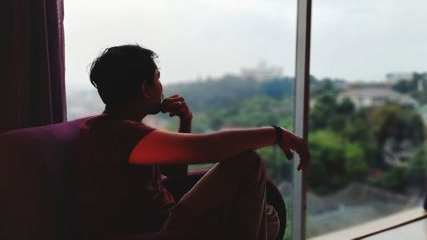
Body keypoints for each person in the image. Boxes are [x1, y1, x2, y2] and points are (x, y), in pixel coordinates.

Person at [73, 44, 310, 240]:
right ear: (145, 88)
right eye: (157, 78)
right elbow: (209, 148)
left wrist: (185, 121)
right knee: (247, 165)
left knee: (265, 218)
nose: (161, 86)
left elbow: (176, 172)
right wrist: (276, 134)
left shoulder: (107, 128)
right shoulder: (119, 133)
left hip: (165, 219)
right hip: (159, 231)